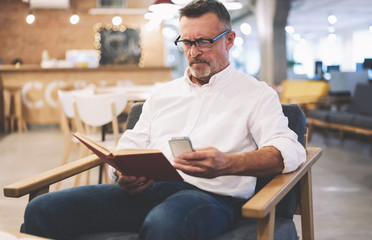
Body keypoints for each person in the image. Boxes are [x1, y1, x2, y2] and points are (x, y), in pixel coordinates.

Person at [23, 0, 306, 239]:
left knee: (163, 224)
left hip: (210, 197)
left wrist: (228, 164)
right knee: (42, 209)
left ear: (229, 40)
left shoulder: (255, 94)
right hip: (143, 193)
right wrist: (123, 174)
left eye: (204, 42)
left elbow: (288, 150)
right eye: (187, 42)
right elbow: (130, 146)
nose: (194, 52)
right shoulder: (162, 94)